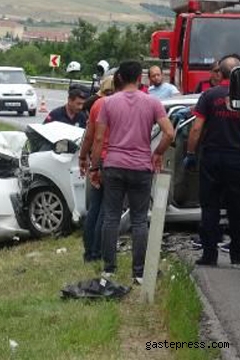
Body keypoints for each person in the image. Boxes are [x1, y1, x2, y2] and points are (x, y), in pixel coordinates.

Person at [90, 60, 175, 284]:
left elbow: (98, 138)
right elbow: (169, 133)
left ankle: (109, 269)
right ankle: (138, 272)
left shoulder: (108, 103)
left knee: (111, 217)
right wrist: (157, 154)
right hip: (140, 167)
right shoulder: (152, 102)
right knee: (139, 220)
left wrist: (95, 166)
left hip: (114, 165)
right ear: (140, 79)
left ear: (119, 78)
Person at [184, 54, 240, 267]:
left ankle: (209, 255)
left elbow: (196, 128)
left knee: (210, 206)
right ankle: (237, 255)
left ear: (221, 72)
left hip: (212, 157)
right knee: (237, 207)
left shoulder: (209, 96)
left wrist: (190, 154)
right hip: (236, 157)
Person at [78, 73, 121, 262]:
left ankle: (89, 251)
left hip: (97, 159)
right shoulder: (119, 105)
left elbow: (90, 136)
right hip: (112, 160)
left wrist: (83, 157)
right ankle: (98, 251)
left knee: (94, 207)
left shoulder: (96, 105)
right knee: (107, 209)